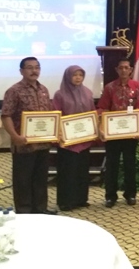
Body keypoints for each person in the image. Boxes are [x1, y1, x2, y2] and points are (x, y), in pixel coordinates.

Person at [1, 57, 57, 214]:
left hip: (43, 143)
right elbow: (6, 116)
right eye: (30, 67)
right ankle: (24, 212)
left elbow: (49, 116)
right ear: (21, 71)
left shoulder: (44, 89)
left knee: (40, 178)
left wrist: (54, 132)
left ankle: (40, 209)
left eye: (37, 67)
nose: (34, 71)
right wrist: (15, 136)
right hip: (24, 144)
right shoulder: (14, 91)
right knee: (23, 180)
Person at [97, 58, 139, 208]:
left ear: (131, 70)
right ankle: (110, 196)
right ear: (117, 70)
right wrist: (102, 127)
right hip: (113, 133)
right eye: (121, 68)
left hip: (131, 133)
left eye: (126, 68)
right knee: (112, 165)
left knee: (129, 164)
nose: (124, 70)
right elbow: (103, 108)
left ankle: (130, 194)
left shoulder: (137, 87)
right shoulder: (109, 87)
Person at [52, 65, 96, 212]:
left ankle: (81, 199)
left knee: (82, 170)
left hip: (84, 139)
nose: (78, 78)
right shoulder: (60, 94)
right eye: (74, 75)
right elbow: (56, 115)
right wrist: (59, 136)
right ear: (68, 77)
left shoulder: (88, 92)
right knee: (67, 171)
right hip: (67, 141)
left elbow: (92, 113)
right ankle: (65, 201)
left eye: (80, 75)